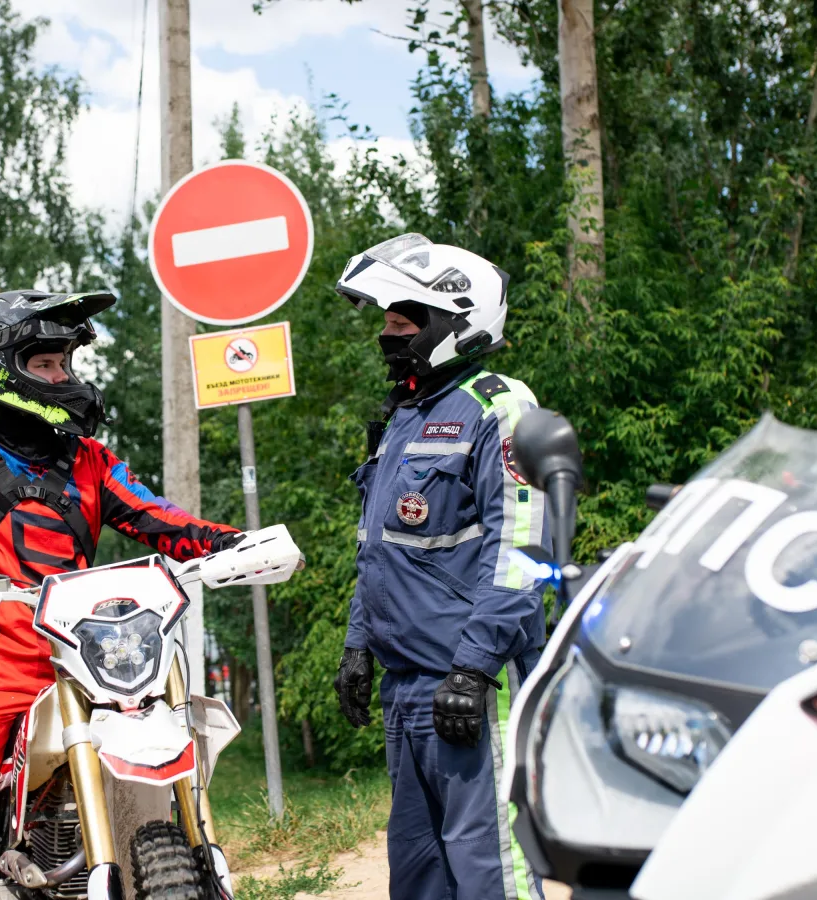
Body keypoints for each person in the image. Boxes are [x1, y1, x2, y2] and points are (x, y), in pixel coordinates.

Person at [0, 290, 244, 900]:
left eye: (65, 363)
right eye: (45, 364)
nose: (63, 377)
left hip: (92, 667)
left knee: (170, 763)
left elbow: (164, 520)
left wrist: (234, 544)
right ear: (2, 370)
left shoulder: (93, 463)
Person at [331, 233, 551, 900]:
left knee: (492, 873)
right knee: (419, 875)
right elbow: (379, 549)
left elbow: (522, 551)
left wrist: (475, 667)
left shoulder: (499, 407)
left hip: (473, 683)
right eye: (387, 322)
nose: (388, 335)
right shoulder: (403, 416)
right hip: (406, 690)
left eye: (404, 322)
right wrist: (358, 645)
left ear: (456, 322)